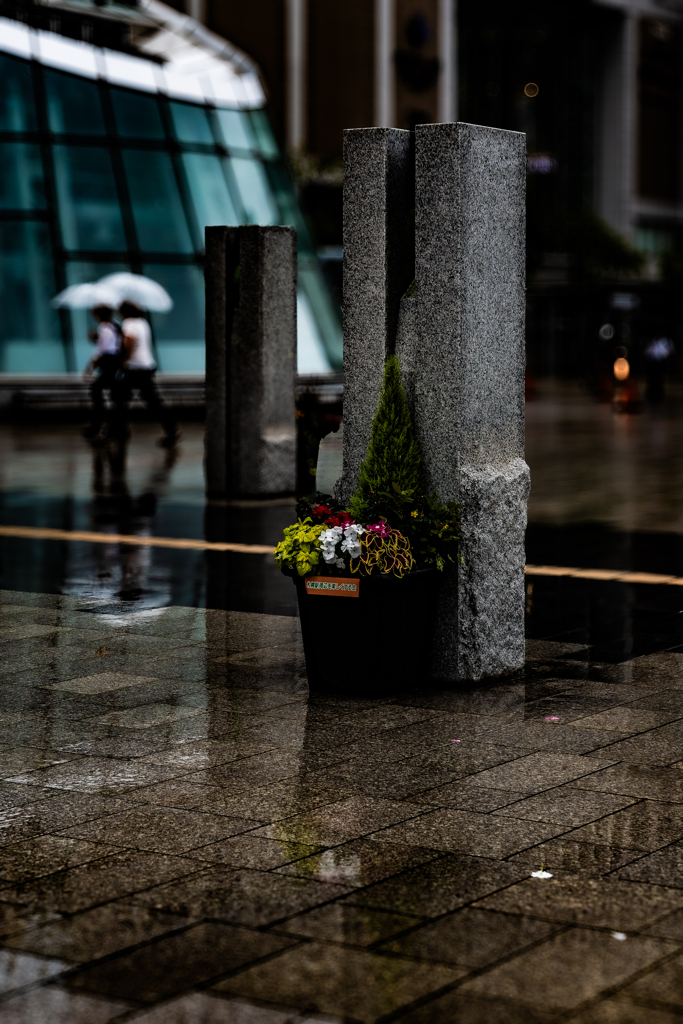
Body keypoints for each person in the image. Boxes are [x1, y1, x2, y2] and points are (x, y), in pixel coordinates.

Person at [111, 300, 179, 446]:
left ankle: (118, 430)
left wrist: (123, 359)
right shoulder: (143, 322)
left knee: (122, 398)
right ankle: (170, 428)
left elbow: (130, 341)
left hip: (134, 367)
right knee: (142, 399)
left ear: (124, 312)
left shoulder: (128, 323)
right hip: (146, 365)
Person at [83, 304, 121, 441]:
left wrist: (89, 368)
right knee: (113, 394)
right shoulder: (116, 326)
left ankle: (99, 421)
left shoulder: (104, 327)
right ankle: (111, 423)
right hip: (116, 364)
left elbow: (100, 351)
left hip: (108, 363)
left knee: (96, 390)